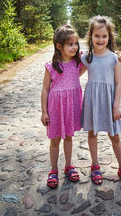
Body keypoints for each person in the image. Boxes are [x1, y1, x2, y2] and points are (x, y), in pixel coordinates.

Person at [81, 15, 121, 187]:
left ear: (109, 37)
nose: (100, 39)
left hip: (110, 102)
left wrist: (116, 106)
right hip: (92, 102)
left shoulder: (114, 58)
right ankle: (95, 165)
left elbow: (118, 84)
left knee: (115, 136)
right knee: (92, 133)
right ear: (90, 36)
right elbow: (73, 72)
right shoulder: (87, 58)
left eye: (104, 36)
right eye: (97, 36)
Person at [40, 25, 86, 188]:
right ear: (59, 46)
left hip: (71, 107)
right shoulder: (51, 66)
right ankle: (53, 170)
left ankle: (68, 166)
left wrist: (115, 55)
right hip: (55, 108)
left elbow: (92, 60)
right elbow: (45, 89)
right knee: (55, 139)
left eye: (76, 44)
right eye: (70, 44)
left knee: (68, 137)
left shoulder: (76, 63)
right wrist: (44, 112)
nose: (74, 47)